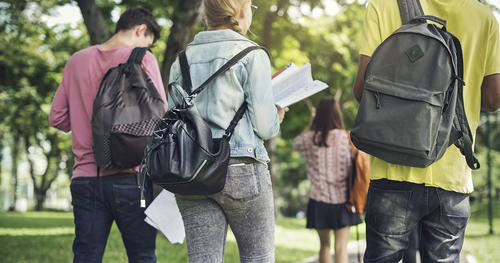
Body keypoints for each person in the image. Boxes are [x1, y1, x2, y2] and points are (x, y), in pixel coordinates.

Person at [352, 0, 500, 262]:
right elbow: (492, 99)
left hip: (392, 166)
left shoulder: (383, 5)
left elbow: (361, 89)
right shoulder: (484, 17)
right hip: (452, 171)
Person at [168, 0, 287, 262]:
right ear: (242, 11)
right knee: (258, 257)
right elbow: (265, 128)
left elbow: (173, 119)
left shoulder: (182, 60)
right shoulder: (252, 54)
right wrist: (276, 115)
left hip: (192, 172)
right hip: (242, 168)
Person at [49, 8, 167, 263]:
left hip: (86, 179)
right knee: (143, 256)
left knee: (86, 256)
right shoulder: (144, 59)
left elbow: (57, 118)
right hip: (132, 178)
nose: (149, 49)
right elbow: (161, 117)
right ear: (141, 30)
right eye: (150, 43)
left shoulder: (76, 61)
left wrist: (85, 120)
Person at [293, 98, 362, 263]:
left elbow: (296, 143)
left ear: (319, 116)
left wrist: (311, 121)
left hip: (319, 200)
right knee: (341, 248)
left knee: (324, 246)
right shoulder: (346, 138)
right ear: (336, 115)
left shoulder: (309, 139)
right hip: (343, 201)